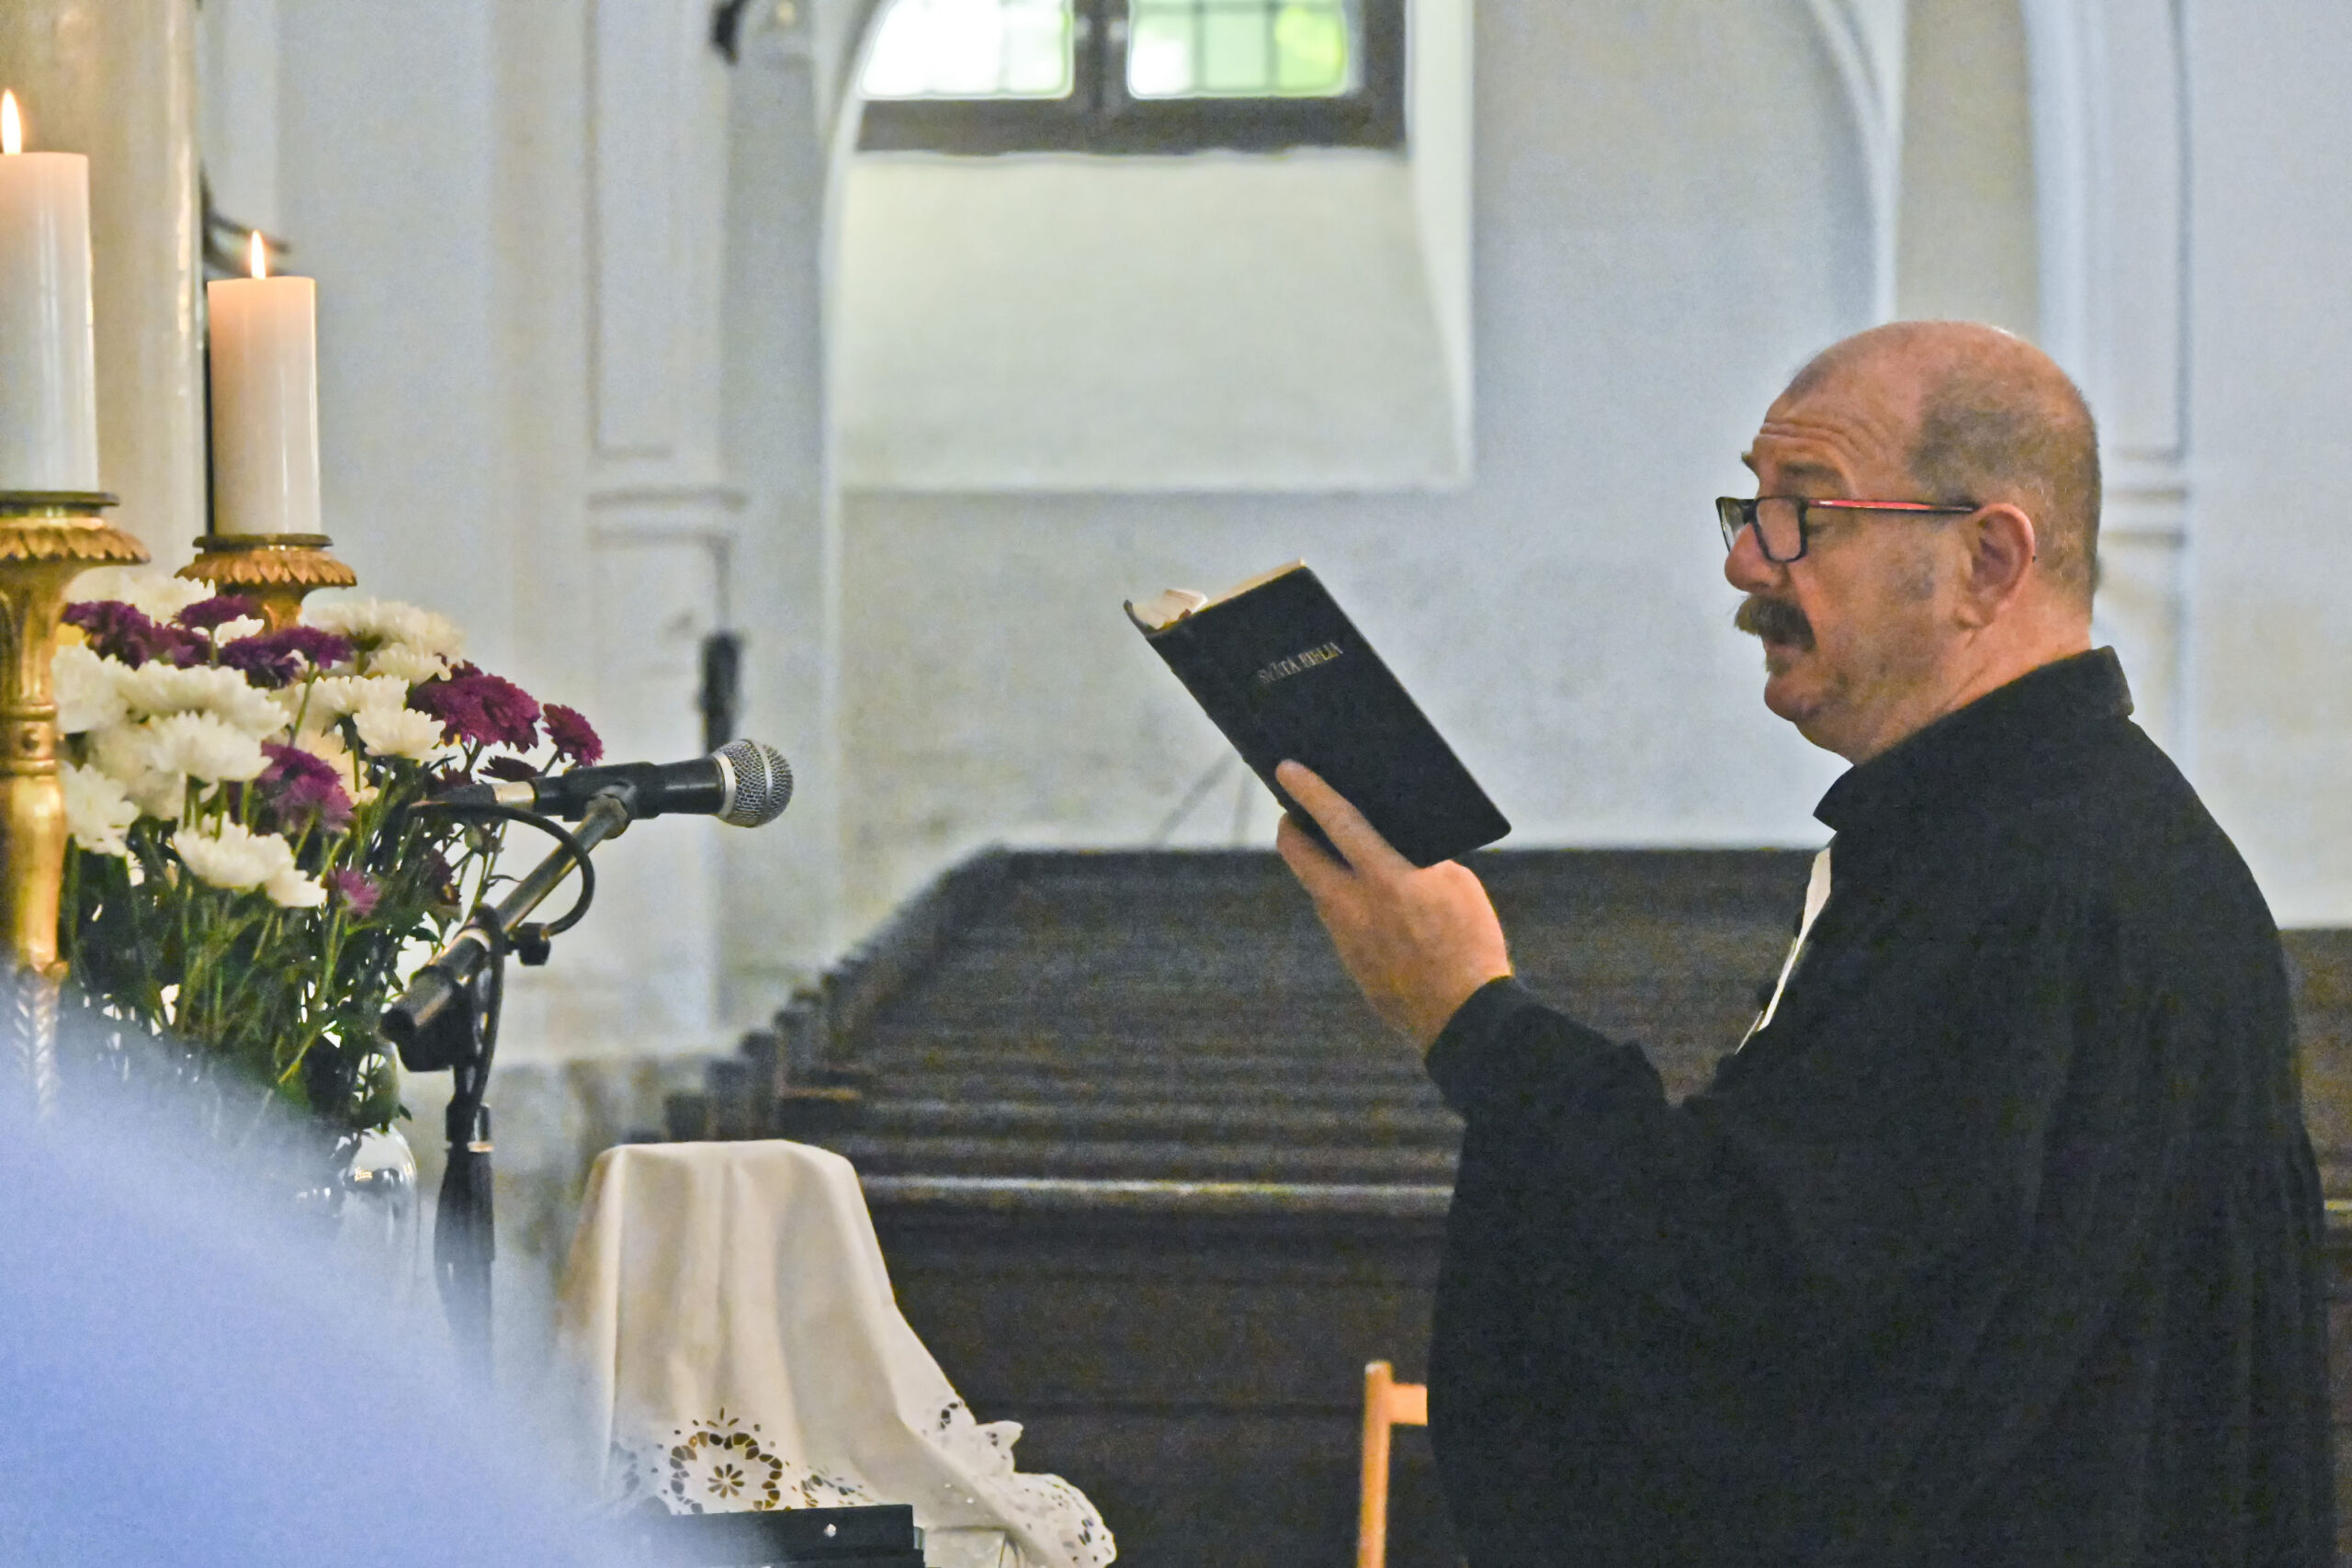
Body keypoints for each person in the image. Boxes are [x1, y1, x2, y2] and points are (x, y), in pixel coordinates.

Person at [1274, 321, 2334, 1566]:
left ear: (1987, 562)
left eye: (1805, 515)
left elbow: (1776, 1330)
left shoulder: (2034, 885)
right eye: (1750, 509)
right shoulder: (2049, 833)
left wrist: (1472, 1019)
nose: (1745, 563)